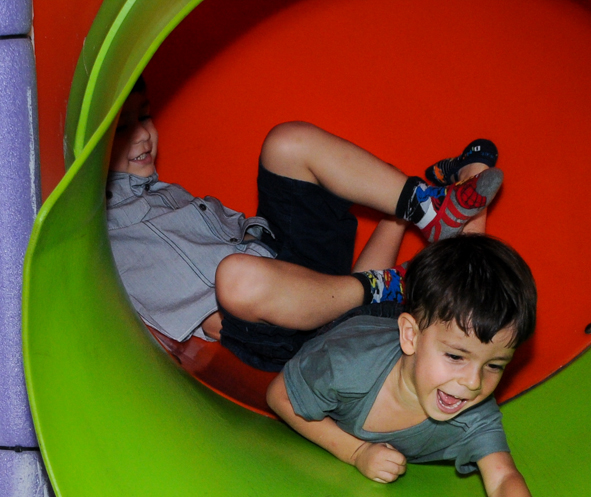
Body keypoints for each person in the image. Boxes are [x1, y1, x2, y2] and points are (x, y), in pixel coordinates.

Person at [106, 78, 503, 372]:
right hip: (273, 332)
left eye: (144, 116)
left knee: (287, 142)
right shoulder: (102, 231)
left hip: (293, 270)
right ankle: (411, 284)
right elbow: (212, 323)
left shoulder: (160, 193)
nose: (143, 134)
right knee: (238, 279)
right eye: (123, 127)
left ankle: (429, 210)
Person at [267, 236, 578, 497]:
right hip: (350, 325)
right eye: (457, 357)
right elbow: (280, 395)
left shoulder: (472, 414)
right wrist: (356, 452)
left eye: (494, 365)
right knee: (286, 324)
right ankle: (396, 228)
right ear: (411, 337)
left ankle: (447, 231)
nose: (473, 382)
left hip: (417, 325)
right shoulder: (347, 365)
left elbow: (503, 477)